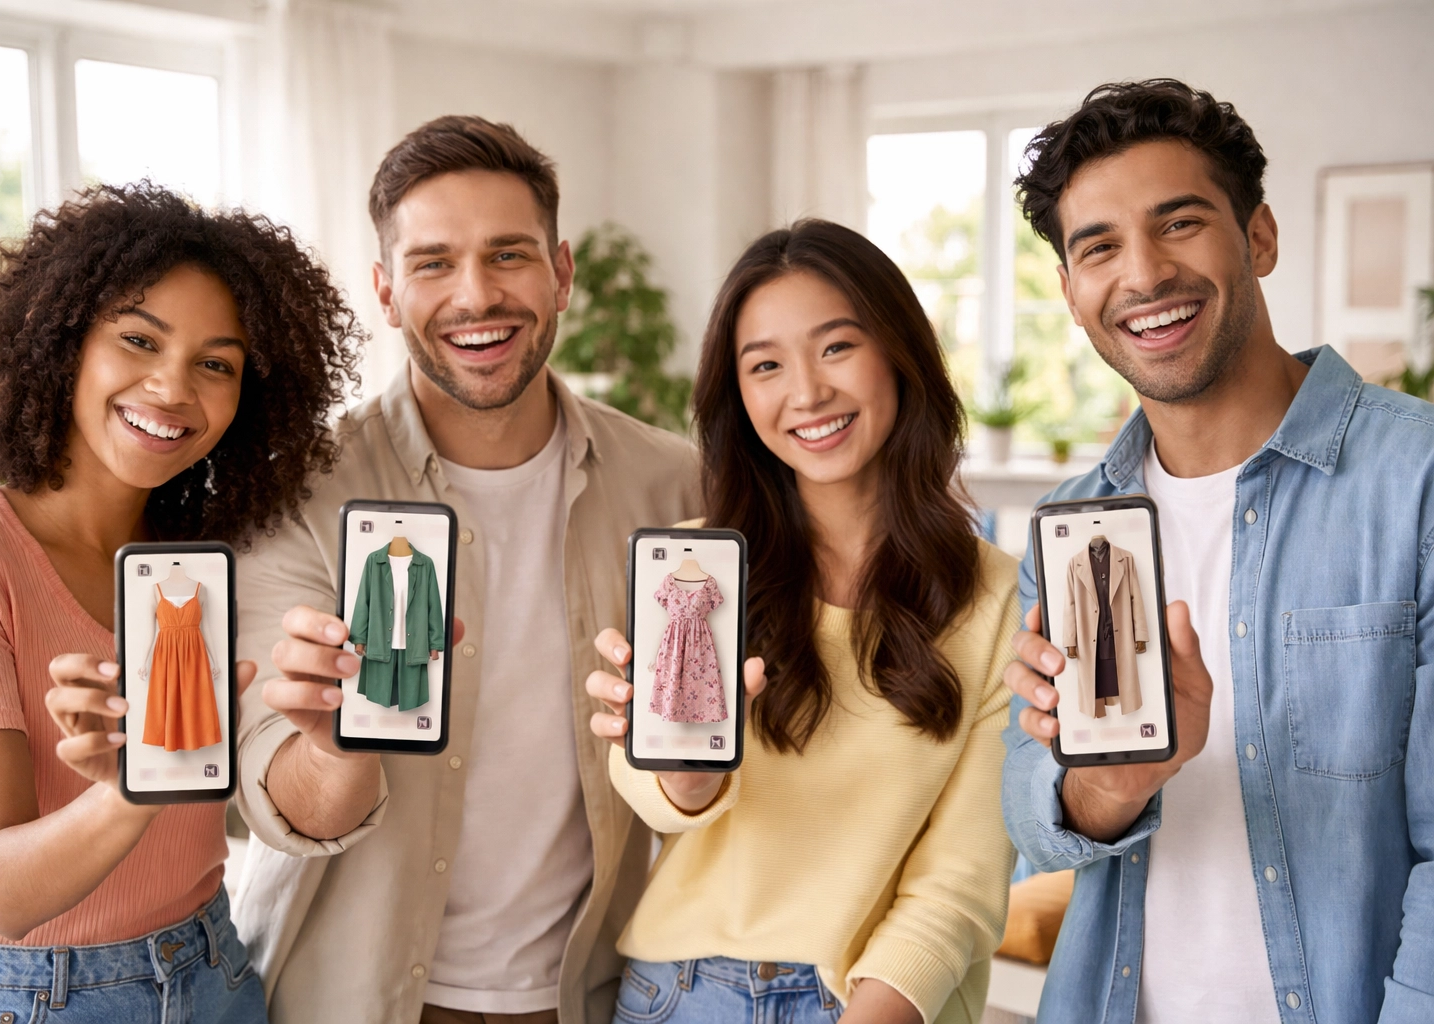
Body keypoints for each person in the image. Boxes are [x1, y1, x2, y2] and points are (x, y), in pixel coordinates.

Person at [228, 116, 698, 1024]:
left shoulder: (673, 484)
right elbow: (289, 806)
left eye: (508, 255)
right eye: (434, 263)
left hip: (592, 999)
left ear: (562, 274)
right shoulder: (298, 494)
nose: (476, 296)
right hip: (351, 1000)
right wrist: (335, 745)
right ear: (386, 291)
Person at [1000, 79, 1434, 1024]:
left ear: (1260, 237)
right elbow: (1035, 820)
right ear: (1071, 293)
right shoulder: (1071, 524)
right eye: (1099, 247)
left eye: (1180, 223)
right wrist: (1108, 785)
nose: (1145, 274)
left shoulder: (1418, 480)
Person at [0, 182, 363, 1023]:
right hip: (24, 999)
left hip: (213, 971)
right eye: (139, 340)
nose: (172, 387)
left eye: (216, 364)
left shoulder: (209, 560)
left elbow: (298, 796)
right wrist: (132, 788)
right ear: (62, 343)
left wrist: (338, 729)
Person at [585, 220, 1021, 1024]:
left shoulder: (996, 597)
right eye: (766, 366)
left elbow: (961, 880)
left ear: (899, 352)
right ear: (739, 395)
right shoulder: (695, 570)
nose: (807, 392)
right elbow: (655, 796)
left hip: (877, 1002)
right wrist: (685, 774)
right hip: (683, 995)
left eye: (836, 347)